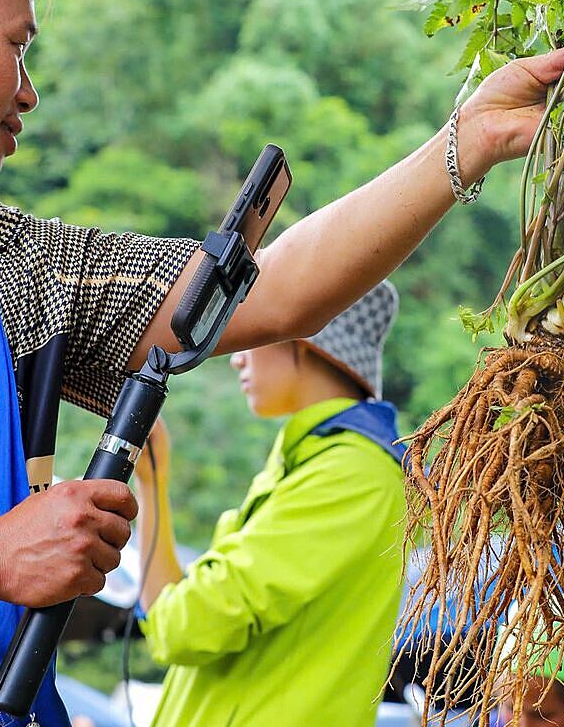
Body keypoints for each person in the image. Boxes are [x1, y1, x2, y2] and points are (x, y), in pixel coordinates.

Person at [0, 0, 564, 721]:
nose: (29, 91)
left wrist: (468, 142)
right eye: (17, 46)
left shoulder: (19, 270)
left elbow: (263, 294)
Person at [132, 281, 406, 725]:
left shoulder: (350, 475)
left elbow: (182, 629)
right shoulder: (310, 462)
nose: (237, 354)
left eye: (254, 330)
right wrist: (152, 483)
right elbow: (172, 618)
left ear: (300, 334)